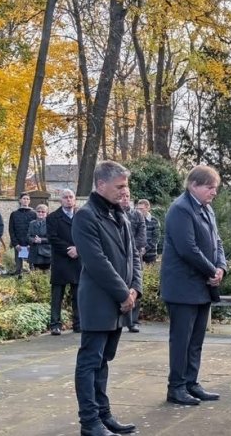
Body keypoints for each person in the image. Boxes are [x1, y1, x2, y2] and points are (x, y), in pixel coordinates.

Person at [71, 160, 141, 436]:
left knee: (103, 361)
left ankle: (104, 415)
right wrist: (124, 292)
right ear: (101, 185)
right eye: (120, 186)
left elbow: (133, 254)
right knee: (90, 361)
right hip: (99, 301)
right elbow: (96, 261)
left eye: (126, 185)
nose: (125, 191)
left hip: (120, 301)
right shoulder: (86, 216)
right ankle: (89, 422)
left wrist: (134, 288)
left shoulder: (118, 214)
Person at [160, 165, 226, 406]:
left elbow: (217, 242)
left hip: (202, 286)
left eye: (215, 188)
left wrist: (221, 268)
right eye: (210, 187)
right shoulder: (180, 209)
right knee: (181, 340)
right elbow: (188, 249)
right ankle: (176, 386)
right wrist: (212, 271)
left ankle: (191, 382)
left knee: (196, 339)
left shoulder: (206, 209)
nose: (214, 193)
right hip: (182, 287)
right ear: (193, 185)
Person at [46, 189, 80, 336]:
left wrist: (78, 249)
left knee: (78, 294)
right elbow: (52, 238)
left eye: (71, 197)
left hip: (78, 259)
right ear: (60, 200)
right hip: (61, 259)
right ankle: (55, 324)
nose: (68, 200)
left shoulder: (81, 216)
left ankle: (78, 323)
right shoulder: (53, 217)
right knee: (57, 294)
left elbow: (88, 235)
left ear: (75, 199)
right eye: (65, 197)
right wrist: (69, 249)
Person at [119, 191, 146, 333]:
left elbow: (142, 235)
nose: (125, 199)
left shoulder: (137, 215)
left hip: (134, 254)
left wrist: (131, 248)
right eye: (123, 196)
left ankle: (133, 321)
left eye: (128, 196)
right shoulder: (114, 214)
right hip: (119, 255)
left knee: (136, 285)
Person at [9, 192, 37, 275]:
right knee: (18, 269)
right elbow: (11, 229)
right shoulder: (14, 214)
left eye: (27, 199)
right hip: (18, 243)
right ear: (20, 200)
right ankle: (18, 281)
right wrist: (15, 244)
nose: (26, 200)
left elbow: (36, 229)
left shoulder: (34, 213)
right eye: (24, 198)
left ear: (29, 201)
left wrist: (31, 243)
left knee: (32, 268)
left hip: (30, 244)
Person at [27, 204, 52, 271]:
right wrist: (33, 240)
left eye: (43, 212)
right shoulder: (32, 223)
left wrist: (41, 240)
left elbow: (52, 238)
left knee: (45, 275)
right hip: (34, 253)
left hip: (46, 253)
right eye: (38, 211)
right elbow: (28, 236)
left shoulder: (50, 223)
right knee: (34, 276)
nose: (40, 213)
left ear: (47, 213)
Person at [136, 199, 160, 264]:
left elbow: (156, 238)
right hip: (138, 255)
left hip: (151, 255)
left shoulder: (154, 221)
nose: (139, 211)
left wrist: (145, 249)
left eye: (141, 209)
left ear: (147, 208)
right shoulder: (136, 220)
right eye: (138, 209)